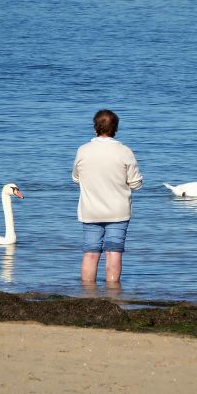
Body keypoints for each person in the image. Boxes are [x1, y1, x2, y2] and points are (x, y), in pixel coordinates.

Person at [72, 109, 143, 285]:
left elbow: (75, 178)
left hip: (90, 210)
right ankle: (113, 293)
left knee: (90, 253)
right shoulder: (125, 151)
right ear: (116, 129)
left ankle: (88, 293)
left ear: (95, 128)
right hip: (118, 211)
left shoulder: (83, 150)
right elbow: (136, 183)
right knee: (114, 252)